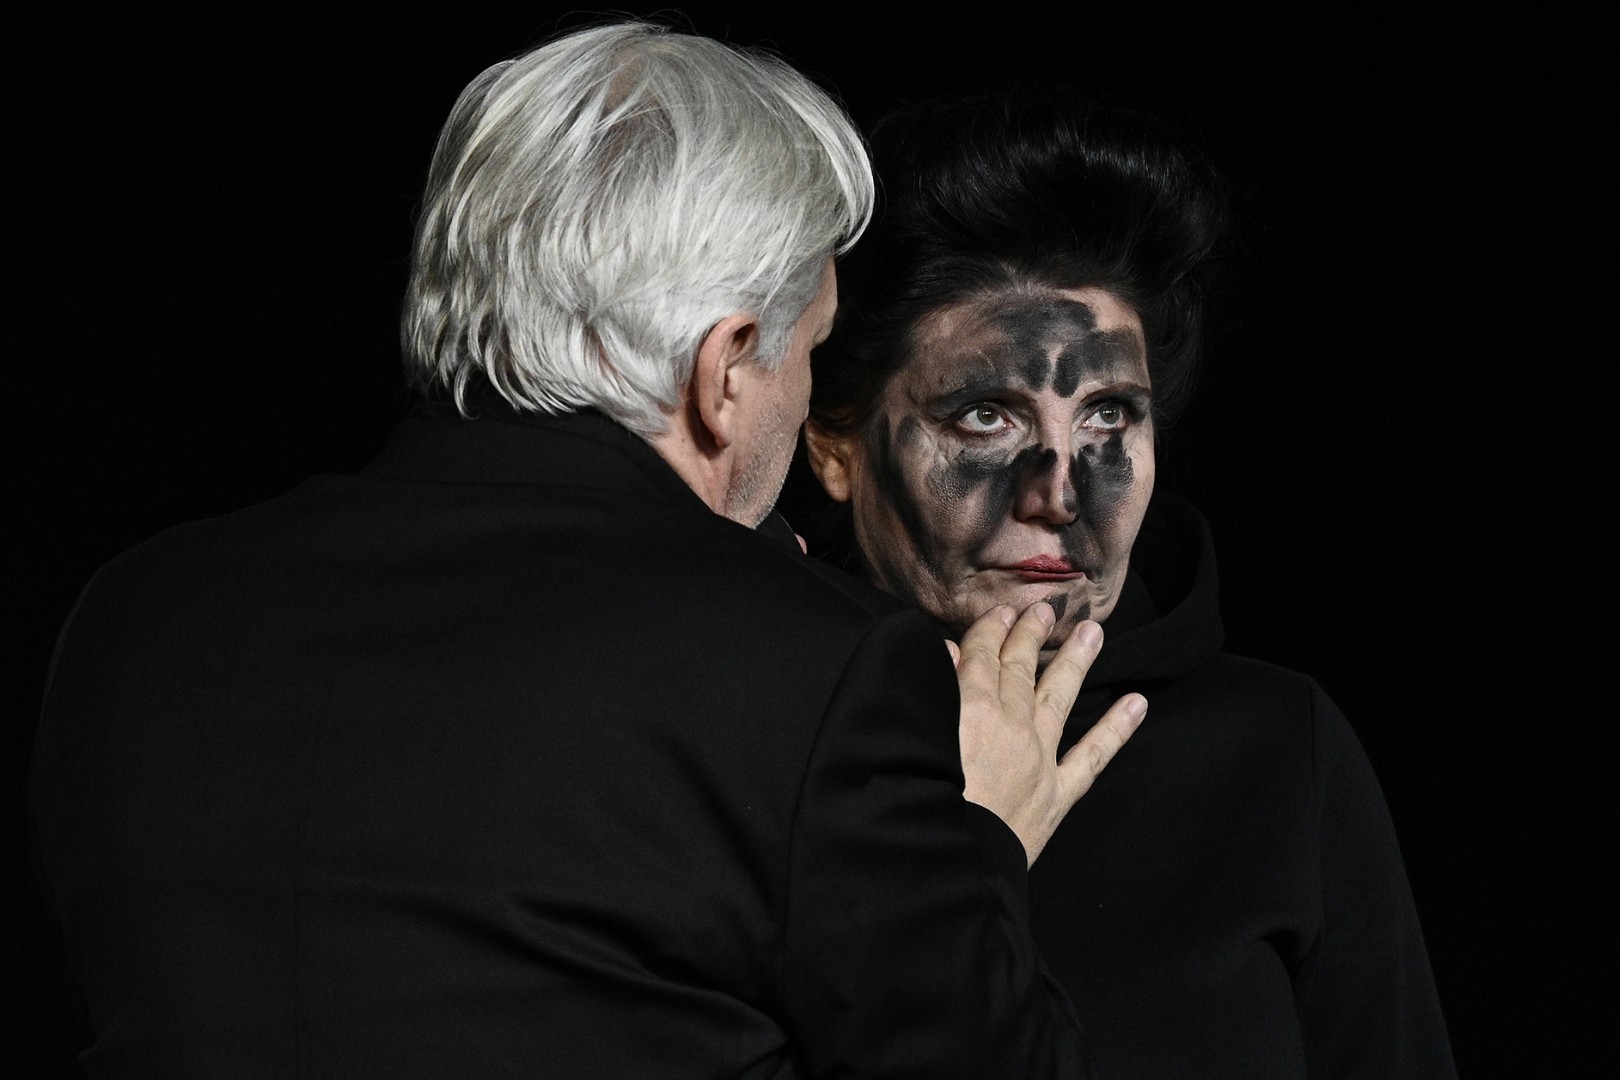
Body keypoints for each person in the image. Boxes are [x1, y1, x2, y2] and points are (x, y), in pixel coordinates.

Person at [27, 24, 1148, 1079]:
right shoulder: (817, 668)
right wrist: (975, 842)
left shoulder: (133, 616)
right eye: (808, 353)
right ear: (724, 369)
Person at [797, 87, 1457, 1079]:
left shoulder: (1275, 748)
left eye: (1108, 415)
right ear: (834, 446)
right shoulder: (760, 740)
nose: (1060, 491)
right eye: (986, 416)